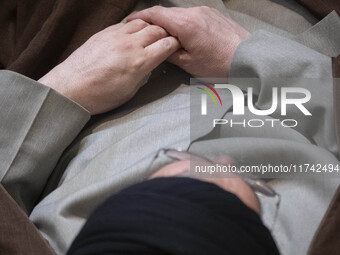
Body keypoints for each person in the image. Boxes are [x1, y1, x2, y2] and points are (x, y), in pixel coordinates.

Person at [0, 1, 339, 255]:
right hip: (300, 37)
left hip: (99, 34)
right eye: (249, 191)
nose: (220, 161)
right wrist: (251, 58)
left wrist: (64, 87)